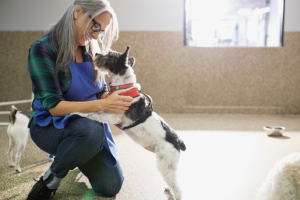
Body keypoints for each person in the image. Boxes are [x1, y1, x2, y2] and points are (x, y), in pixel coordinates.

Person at [26, 0, 133, 199]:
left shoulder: (91, 48)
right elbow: (54, 107)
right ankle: (51, 180)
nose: (96, 34)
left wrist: (117, 99)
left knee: (110, 186)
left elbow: (100, 90)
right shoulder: (42, 50)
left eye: (102, 31)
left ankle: (76, 153)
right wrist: (102, 104)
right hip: (50, 126)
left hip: (89, 125)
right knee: (89, 132)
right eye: (96, 26)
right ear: (77, 12)